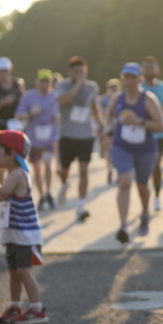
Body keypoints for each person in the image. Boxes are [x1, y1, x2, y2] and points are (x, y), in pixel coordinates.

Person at [0, 130, 48, 324]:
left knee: (23, 271)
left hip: (25, 235)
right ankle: (15, 306)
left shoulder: (17, 174)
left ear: (12, 153)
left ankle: (37, 309)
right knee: (14, 272)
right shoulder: (13, 172)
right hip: (15, 233)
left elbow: (0, 195)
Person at [107, 62, 163, 243]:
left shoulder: (148, 99)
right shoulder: (117, 98)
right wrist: (107, 131)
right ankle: (123, 226)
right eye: (126, 77)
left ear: (140, 79)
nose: (129, 81)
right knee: (124, 181)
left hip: (145, 148)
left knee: (142, 186)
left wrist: (139, 121)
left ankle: (145, 213)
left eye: (133, 77)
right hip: (122, 146)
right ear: (122, 78)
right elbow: (108, 117)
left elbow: (160, 126)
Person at [55, 56, 101, 221]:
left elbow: (93, 105)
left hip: (85, 135)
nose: (81, 75)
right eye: (77, 72)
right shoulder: (62, 86)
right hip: (67, 134)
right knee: (63, 170)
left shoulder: (92, 87)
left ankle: (81, 205)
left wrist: (99, 122)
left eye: (83, 71)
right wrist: (78, 85)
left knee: (84, 169)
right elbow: (62, 102)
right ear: (70, 72)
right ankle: (64, 183)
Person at [15, 69, 60, 210]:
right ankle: (41, 195)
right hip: (34, 140)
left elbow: (63, 113)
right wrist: (30, 113)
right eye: (42, 81)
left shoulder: (56, 96)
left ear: (50, 82)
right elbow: (18, 116)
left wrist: (59, 117)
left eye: (47, 81)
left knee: (48, 164)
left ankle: (48, 192)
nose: (44, 84)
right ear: (37, 82)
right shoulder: (28, 97)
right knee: (37, 168)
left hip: (50, 138)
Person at [141, 55, 163, 212]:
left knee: (156, 164)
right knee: (144, 166)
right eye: (146, 68)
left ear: (157, 70)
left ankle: (157, 196)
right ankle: (144, 195)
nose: (149, 71)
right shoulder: (138, 87)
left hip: (160, 133)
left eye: (152, 68)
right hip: (142, 132)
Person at [0, 56, 24, 135]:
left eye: (5, 71)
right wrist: (3, 102)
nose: (3, 74)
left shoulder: (18, 84)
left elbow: (24, 102)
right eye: (1, 71)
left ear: (10, 70)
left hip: (15, 125)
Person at [98, 78, 121, 184]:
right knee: (109, 150)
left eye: (115, 87)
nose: (114, 89)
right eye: (112, 87)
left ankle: (118, 171)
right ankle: (110, 169)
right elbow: (100, 111)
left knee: (119, 150)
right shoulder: (105, 99)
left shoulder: (122, 98)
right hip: (109, 126)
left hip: (120, 127)